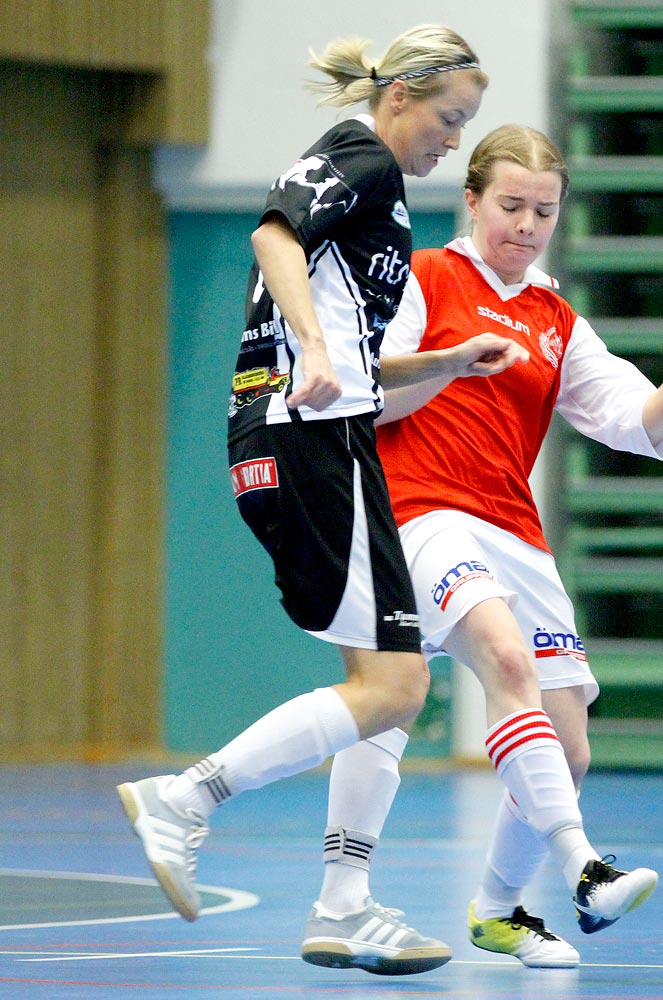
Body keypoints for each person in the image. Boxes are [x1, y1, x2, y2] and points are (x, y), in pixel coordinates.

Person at [115, 26, 518, 978]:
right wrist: (320, 350)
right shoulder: (361, 153)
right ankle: (188, 798)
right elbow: (271, 233)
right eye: (450, 118)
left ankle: (342, 906)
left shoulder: (377, 192)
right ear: (401, 96)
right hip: (313, 443)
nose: (453, 140)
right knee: (396, 685)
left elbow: (353, 351)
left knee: (391, 687)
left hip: (316, 437)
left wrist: (447, 361)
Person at [320, 124, 663, 968]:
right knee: (493, 668)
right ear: (471, 201)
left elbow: (630, 424)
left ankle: (499, 909)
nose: (525, 223)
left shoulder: (554, 317)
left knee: (569, 744)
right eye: (509, 205)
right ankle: (583, 867)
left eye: (542, 210)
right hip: (424, 511)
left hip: (513, 529)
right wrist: (452, 362)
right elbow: (375, 398)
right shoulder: (426, 277)